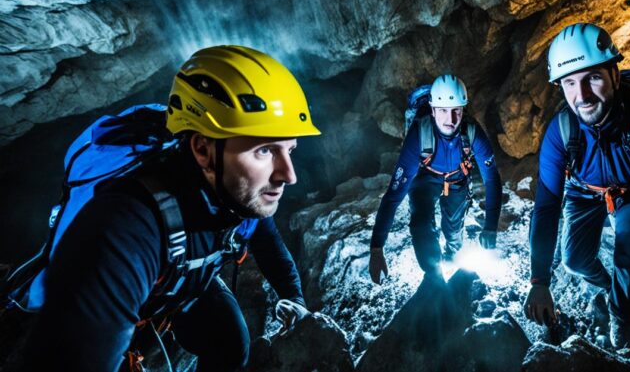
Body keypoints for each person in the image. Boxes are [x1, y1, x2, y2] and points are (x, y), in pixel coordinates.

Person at [21, 46, 320, 371]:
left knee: (231, 343)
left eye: (290, 149)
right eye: (264, 150)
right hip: (136, 289)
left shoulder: (236, 197)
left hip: (180, 284)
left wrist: (295, 301)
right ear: (202, 149)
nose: (289, 175)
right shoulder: (126, 228)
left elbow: (270, 247)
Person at [524, 24, 630, 363]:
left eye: (592, 78)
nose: (582, 95)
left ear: (615, 76)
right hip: (584, 192)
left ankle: (623, 315)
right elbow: (545, 208)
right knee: (574, 261)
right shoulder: (561, 132)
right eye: (570, 83)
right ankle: (612, 289)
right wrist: (539, 279)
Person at [368, 74, 502, 284]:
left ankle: (453, 257)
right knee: (421, 223)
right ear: (432, 111)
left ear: (463, 109)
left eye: (456, 110)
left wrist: (490, 226)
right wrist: (376, 247)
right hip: (425, 178)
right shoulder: (418, 136)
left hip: (458, 178)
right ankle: (433, 273)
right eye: (443, 111)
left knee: (454, 229)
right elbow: (394, 195)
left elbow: (492, 179)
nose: (451, 120)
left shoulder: (472, 131)